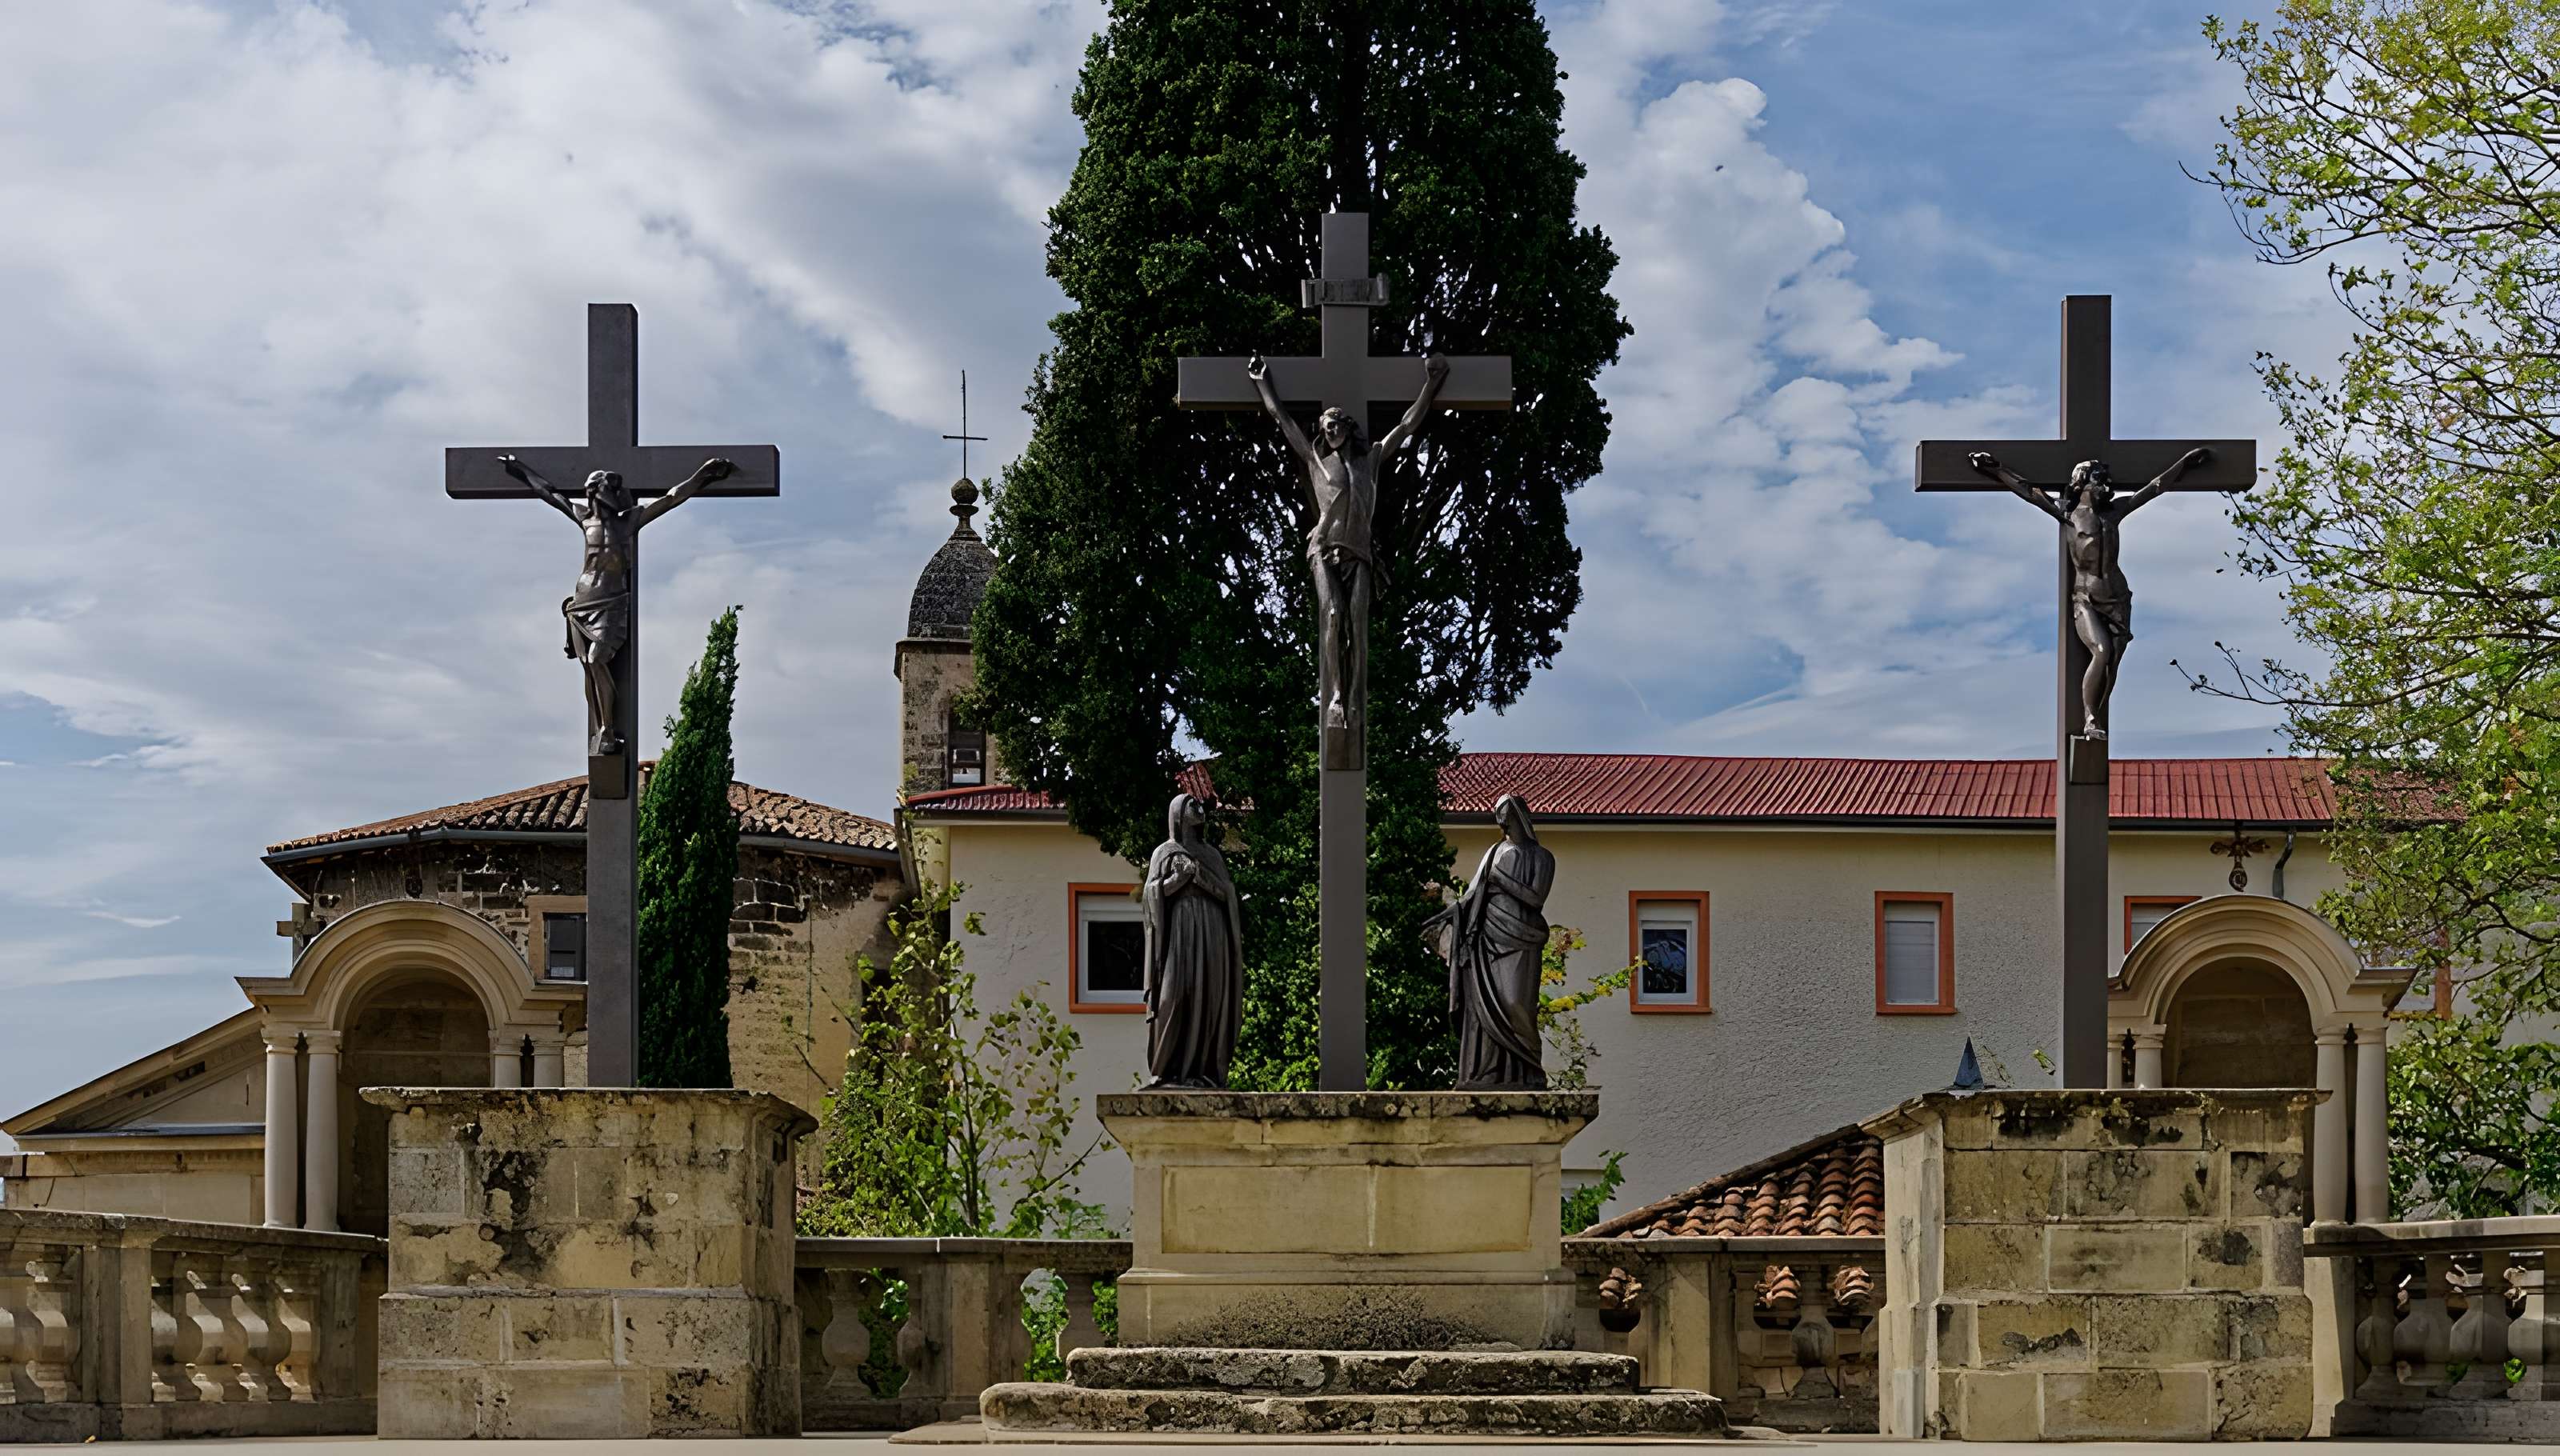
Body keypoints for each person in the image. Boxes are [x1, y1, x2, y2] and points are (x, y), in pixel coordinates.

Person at [1245, 351, 1450, 757]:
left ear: (1348, 427)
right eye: (1327, 424)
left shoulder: (1370, 459)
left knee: (1357, 626)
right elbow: (1284, 421)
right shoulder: (1316, 462)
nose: (1332, 428)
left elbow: (1408, 424)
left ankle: (1355, 699)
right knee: (1334, 616)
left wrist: (1433, 382)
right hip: (1324, 550)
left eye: (1338, 422)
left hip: (1360, 554)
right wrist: (1262, 384)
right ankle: (1336, 695)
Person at [498, 453, 734, 754]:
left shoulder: (629, 521)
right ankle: (601, 732)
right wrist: (519, 469)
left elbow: (672, 497)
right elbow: (550, 493)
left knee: (598, 659)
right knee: (588, 667)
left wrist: (703, 475)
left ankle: (608, 729)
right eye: (600, 490)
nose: (605, 495)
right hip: (582, 603)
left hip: (611, 602)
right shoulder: (584, 519)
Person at [1967, 447, 2210, 738]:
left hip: (2118, 599)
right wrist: (1995, 469)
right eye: (2099, 480)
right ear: (2081, 482)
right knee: (2101, 650)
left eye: (2106, 481)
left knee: (2112, 666)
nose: (2106, 486)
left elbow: (2154, 488)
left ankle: (2097, 715)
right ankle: (2090, 718)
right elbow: (2027, 490)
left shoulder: (2115, 511)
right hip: (2086, 599)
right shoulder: (2067, 513)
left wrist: (2183, 465)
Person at [1427, 794, 1554, 1090]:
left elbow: (1536, 898)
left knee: (1515, 1004)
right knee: (1482, 1005)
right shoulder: (1493, 852)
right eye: (1497, 815)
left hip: (1523, 937)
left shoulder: (1542, 857)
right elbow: (1471, 896)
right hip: (1487, 938)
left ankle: (1529, 1069)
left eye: (1504, 814)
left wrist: (1501, 881)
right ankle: (1487, 1072)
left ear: (1518, 816)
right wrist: (1442, 915)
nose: (1500, 820)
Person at [1142, 792, 1245, 1089]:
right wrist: (1175, 882)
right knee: (1173, 995)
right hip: (1179, 934)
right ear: (1177, 814)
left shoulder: (1212, 855)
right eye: (1191, 805)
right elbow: (1151, 898)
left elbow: (1228, 896)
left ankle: (1203, 1071)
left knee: (1209, 996)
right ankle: (1166, 1071)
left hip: (1212, 934)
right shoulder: (1164, 852)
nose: (1199, 809)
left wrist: (1198, 876)